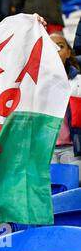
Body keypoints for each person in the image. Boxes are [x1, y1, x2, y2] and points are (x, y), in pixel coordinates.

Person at [50, 33, 81, 184]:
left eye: (60, 47)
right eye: (51, 47)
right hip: (47, 150)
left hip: (73, 149)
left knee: (73, 188)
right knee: (51, 192)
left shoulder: (78, 81)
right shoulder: (36, 83)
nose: (55, 51)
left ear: (69, 52)